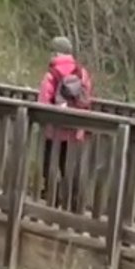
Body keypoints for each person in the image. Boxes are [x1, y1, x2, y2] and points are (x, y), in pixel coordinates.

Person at [37, 36, 94, 207]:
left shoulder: (51, 74)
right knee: (70, 168)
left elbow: (43, 102)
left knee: (50, 165)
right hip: (75, 131)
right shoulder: (81, 73)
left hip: (54, 131)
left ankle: (52, 199)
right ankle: (72, 202)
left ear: (55, 53)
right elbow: (87, 99)